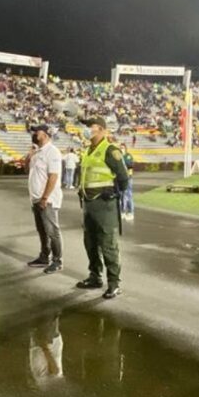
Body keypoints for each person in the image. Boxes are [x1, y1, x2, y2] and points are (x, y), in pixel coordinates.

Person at [77, 117, 129, 298]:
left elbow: (123, 178)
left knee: (108, 244)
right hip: (89, 204)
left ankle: (114, 283)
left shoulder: (110, 150)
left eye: (91, 127)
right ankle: (95, 276)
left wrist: (114, 192)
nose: (87, 130)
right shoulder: (88, 150)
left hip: (105, 204)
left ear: (102, 130)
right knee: (90, 243)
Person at [27, 125, 65, 273]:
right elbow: (29, 171)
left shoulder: (52, 152)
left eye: (38, 132)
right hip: (36, 198)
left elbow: (53, 176)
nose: (35, 134)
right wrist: (29, 156)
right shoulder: (37, 152)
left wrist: (45, 197)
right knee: (42, 230)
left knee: (52, 230)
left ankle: (57, 260)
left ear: (46, 134)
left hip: (47, 199)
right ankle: (44, 256)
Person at [120, 143, 135, 221]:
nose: (121, 149)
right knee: (122, 195)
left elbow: (131, 164)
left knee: (128, 194)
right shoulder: (119, 157)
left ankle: (130, 212)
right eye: (120, 148)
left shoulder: (128, 156)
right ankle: (122, 211)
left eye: (122, 148)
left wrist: (123, 160)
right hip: (121, 178)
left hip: (128, 177)